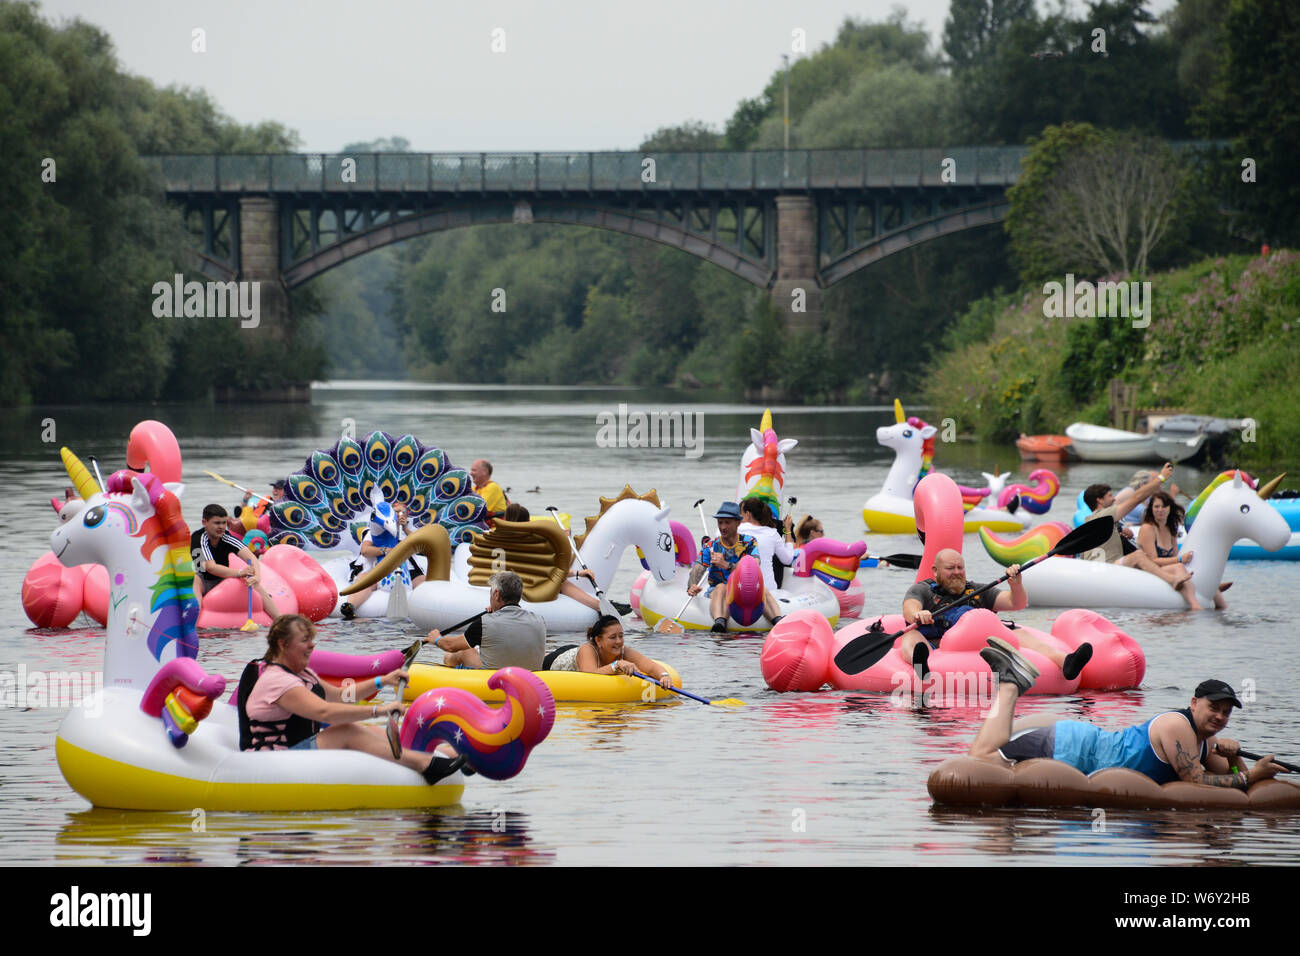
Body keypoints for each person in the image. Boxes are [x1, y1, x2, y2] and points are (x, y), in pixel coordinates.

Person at [968, 643, 1288, 790]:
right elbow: (1198, 780)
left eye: (1225, 712)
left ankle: (1010, 682)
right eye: (1213, 708)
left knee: (984, 755)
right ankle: (1010, 684)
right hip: (1075, 748)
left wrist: (1238, 758)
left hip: (1077, 746)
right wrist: (1253, 775)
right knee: (979, 761)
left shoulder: (1207, 741)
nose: (1219, 716)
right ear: (1194, 703)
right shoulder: (1178, 726)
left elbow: (1231, 780)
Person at [237, 614, 464, 782]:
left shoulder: (301, 673)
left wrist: (382, 681)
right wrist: (380, 710)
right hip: (273, 759)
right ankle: (426, 766)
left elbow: (340, 696)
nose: (312, 645)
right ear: (282, 645)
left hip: (296, 749)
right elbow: (325, 712)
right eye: (305, 640)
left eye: (312, 639)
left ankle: (446, 755)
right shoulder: (276, 680)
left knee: (373, 731)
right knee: (347, 730)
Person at [901, 548, 1092, 682]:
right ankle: (921, 665)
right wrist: (919, 614)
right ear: (935, 571)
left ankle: (1066, 661)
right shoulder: (924, 589)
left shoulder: (977, 590)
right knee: (910, 635)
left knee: (1015, 631)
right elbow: (910, 606)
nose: (957, 573)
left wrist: (1015, 584)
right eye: (950, 568)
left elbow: (1015, 603)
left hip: (975, 643)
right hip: (938, 642)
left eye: (960, 568)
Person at [1082, 462, 1201, 609]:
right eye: (1110, 496)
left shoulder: (1099, 521)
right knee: (1139, 555)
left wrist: (1120, 533)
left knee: (1173, 566)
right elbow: (1136, 498)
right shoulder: (1102, 515)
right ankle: (1172, 580)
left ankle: (1202, 590)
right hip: (1105, 569)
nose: (1114, 499)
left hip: (1114, 567)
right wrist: (1161, 477)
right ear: (1099, 501)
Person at [427, 571, 546, 669]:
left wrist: (436, 639)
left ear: (496, 595)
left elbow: (450, 646)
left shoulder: (483, 623)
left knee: (463, 652)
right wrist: (496, 613)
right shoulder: (540, 621)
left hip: (491, 682)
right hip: (530, 681)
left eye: (490, 593)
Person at [498, 503, 603, 612]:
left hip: (511, 582)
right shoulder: (532, 543)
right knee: (561, 583)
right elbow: (552, 571)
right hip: (526, 584)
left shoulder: (503, 539)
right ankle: (598, 605)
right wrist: (577, 573)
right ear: (527, 522)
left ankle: (600, 605)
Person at [340, 498, 424, 619]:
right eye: (395, 512)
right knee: (365, 579)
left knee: (422, 580)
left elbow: (421, 547)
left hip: (406, 568)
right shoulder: (374, 532)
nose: (398, 515)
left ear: (406, 515)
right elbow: (365, 551)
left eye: (401, 512)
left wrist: (404, 528)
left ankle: (424, 611)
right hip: (379, 567)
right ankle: (350, 607)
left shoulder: (408, 532)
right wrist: (385, 551)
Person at [190, 503, 280, 616]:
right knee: (196, 580)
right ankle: (193, 623)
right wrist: (240, 572)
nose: (221, 527)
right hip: (204, 579)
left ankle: (279, 619)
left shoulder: (226, 537)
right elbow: (210, 567)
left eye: (224, 523)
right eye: (217, 523)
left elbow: (251, 557)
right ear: (205, 522)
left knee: (253, 580)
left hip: (224, 579)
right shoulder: (199, 538)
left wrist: (257, 576)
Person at [543, 614, 673, 687]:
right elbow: (589, 675)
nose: (618, 641)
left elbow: (651, 667)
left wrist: (664, 676)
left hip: (576, 652)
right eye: (612, 637)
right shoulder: (588, 649)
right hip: (557, 659)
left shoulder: (623, 651)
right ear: (598, 640)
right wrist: (616, 665)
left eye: (621, 636)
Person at [686, 501, 758, 632]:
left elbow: (754, 567)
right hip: (717, 590)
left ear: (738, 522)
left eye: (727, 522)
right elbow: (698, 569)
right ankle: (720, 623)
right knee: (721, 587)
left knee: (726, 587)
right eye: (720, 522)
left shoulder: (749, 542)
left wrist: (726, 565)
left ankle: (778, 620)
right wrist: (692, 586)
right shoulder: (710, 546)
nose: (723, 527)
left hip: (744, 589)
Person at [738, 497, 794, 621]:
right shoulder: (772, 533)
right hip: (769, 591)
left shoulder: (734, 530)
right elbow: (788, 560)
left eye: (740, 514)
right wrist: (788, 531)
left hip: (738, 590)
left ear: (747, 514)